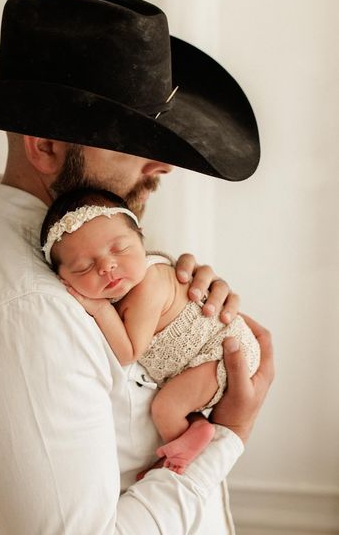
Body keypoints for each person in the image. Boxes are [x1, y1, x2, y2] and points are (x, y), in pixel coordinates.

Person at [0, 0, 273, 534]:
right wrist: (233, 431)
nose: (162, 167)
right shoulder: (28, 316)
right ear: (45, 146)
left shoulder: (89, 252)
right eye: (130, 142)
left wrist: (183, 324)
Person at [41, 186, 260, 475]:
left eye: (119, 249)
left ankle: (177, 456)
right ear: (62, 279)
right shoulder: (126, 285)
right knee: (176, 403)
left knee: (166, 409)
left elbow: (129, 351)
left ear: (141, 238)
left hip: (220, 350)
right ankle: (194, 431)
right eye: (84, 267)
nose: (107, 266)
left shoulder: (148, 285)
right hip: (204, 359)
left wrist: (100, 309)